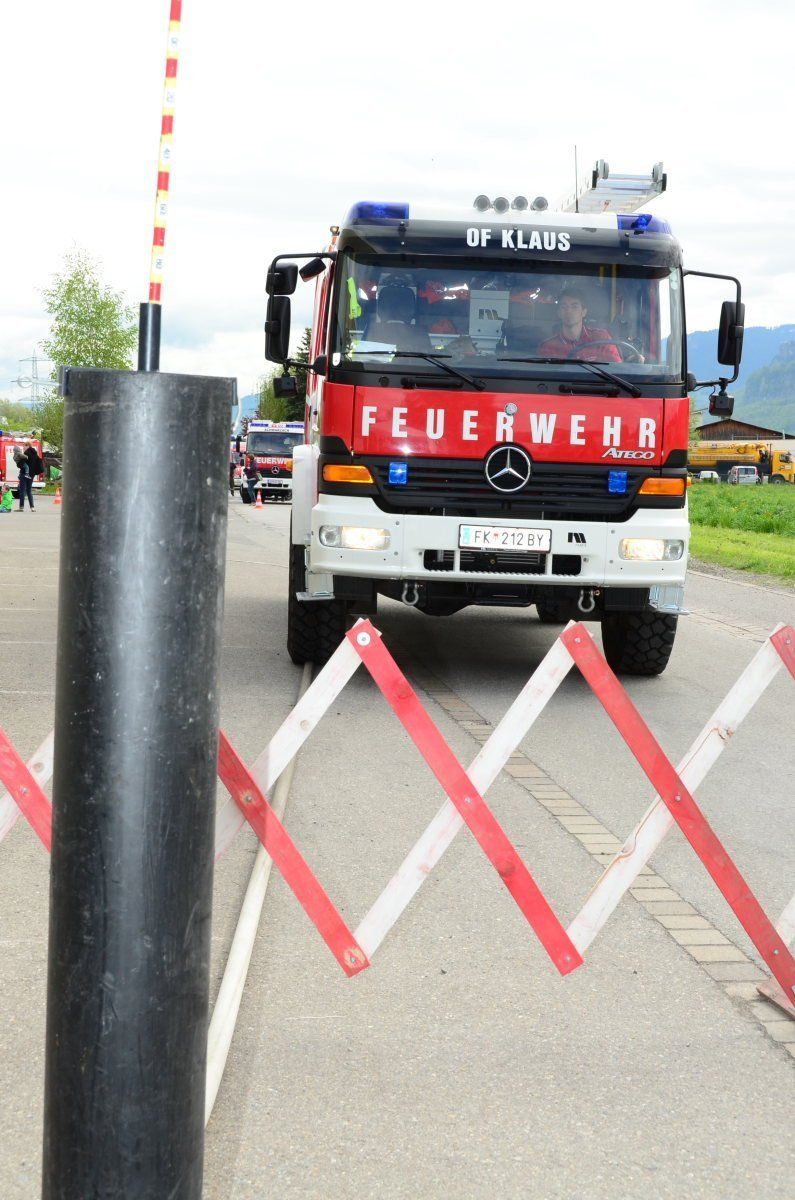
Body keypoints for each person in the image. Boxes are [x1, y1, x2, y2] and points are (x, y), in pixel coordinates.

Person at [538, 287, 622, 362]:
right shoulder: (548, 346)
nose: (569, 311)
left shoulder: (601, 339)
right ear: (559, 313)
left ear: (584, 312)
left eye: (574, 307)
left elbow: (617, 370)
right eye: (564, 307)